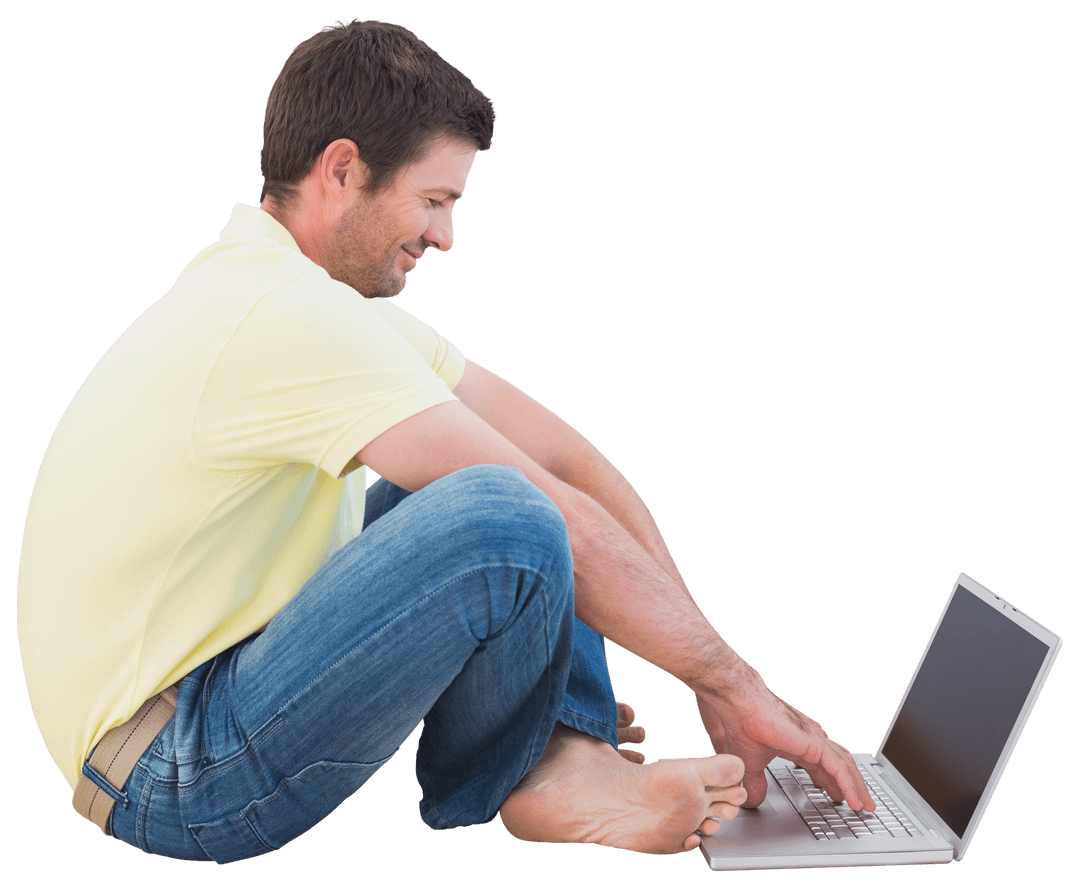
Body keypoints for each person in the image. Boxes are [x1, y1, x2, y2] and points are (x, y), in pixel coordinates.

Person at [16, 19, 873, 863]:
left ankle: (564, 753)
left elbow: (572, 462)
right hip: (170, 774)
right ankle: (536, 774)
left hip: (191, 710)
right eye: (434, 201)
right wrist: (736, 690)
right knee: (504, 508)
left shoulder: (296, 301)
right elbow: (546, 511)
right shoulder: (280, 319)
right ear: (343, 169)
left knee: (501, 485)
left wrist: (713, 682)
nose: (444, 236)